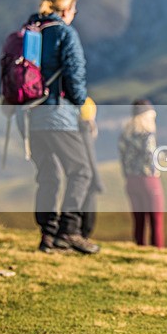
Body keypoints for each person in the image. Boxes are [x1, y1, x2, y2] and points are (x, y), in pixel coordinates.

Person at [22, 0, 100, 255]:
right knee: (81, 171)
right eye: (74, 10)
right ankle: (70, 230)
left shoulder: (30, 30)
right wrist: (82, 105)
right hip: (57, 115)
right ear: (66, 10)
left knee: (49, 176)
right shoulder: (65, 33)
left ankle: (47, 236)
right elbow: (74, 74)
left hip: (30, 114)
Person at [118, 99, 165, 248]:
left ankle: (140, 248)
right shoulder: (147, 135)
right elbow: (150, 155)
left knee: (139, 220)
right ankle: (158, 251)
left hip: (131, 181)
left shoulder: (125, 135)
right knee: (155, 219)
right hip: (148, 180)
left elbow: (123, 158)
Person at [78, 96, 104, 239]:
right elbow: (90, 157)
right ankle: (83, 235)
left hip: (80, 175)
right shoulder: (85, 130)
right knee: (88, 206)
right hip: (87, 178)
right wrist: (97, 181)